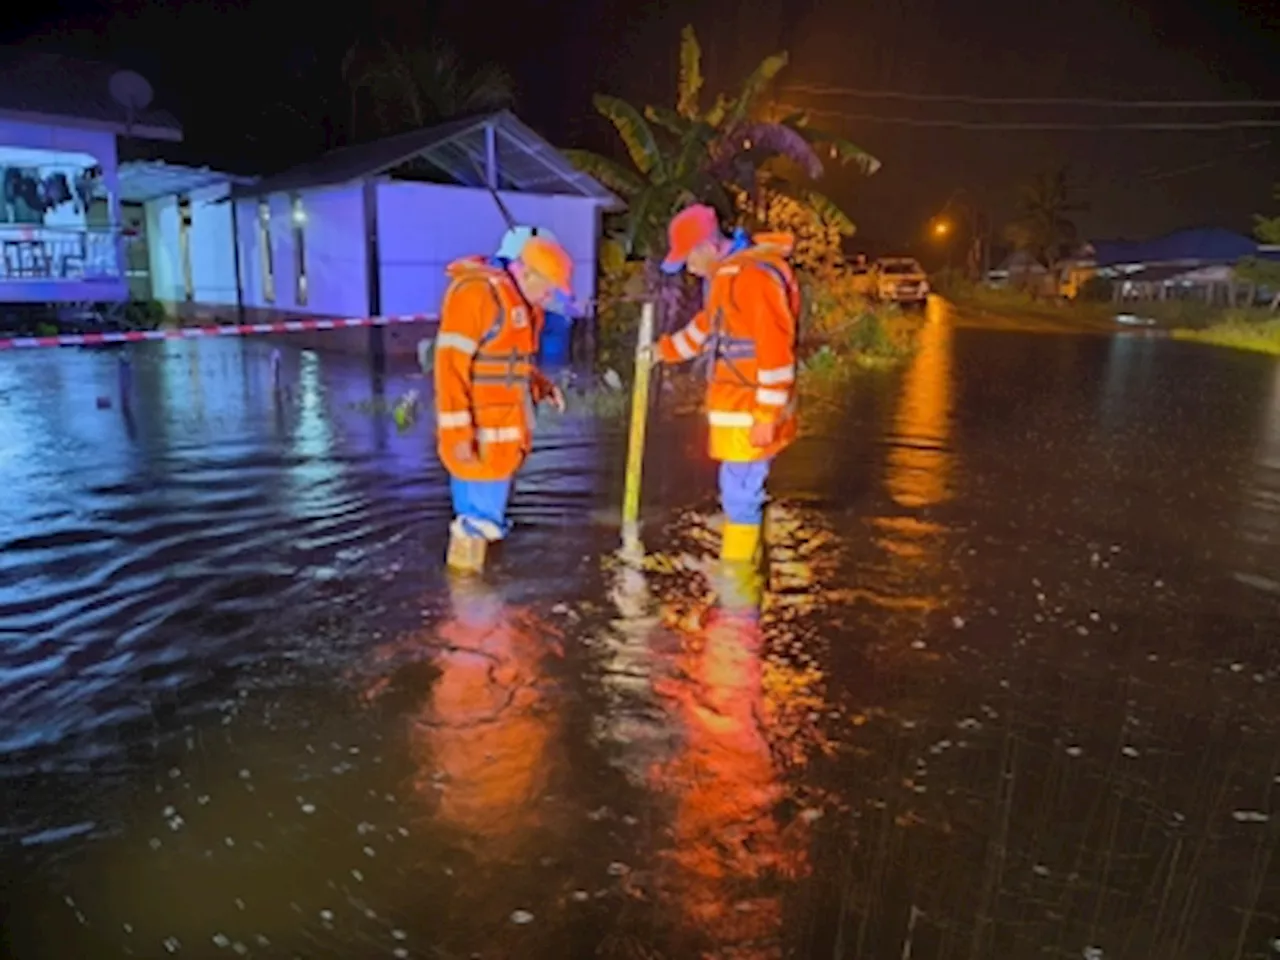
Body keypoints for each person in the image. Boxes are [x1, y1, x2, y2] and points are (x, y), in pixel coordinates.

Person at [648, 204, 801, 565]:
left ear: (707, 247)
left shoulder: (752, 278)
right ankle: (748, 570)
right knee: (742, 491)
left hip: (751, 412)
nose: (688, 268)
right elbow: (706, 329)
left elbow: (776, 351)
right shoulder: (726, 279)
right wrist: (663, 350)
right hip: (739, 408)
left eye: (689, 259)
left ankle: (738, 590)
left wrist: (767, 414)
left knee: (740, 496)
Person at [434, 234, 571, 572]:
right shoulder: (476, 294)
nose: (549, 296)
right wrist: (457, 436)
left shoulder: (522, 305)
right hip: (480, 440)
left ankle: (469, 595)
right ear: (527, 273)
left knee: (478, 520)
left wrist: (541, 386)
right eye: (548, 287)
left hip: (497, 442)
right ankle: (472, 607)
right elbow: (449, 370)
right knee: (478, 522)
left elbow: (509, 365)